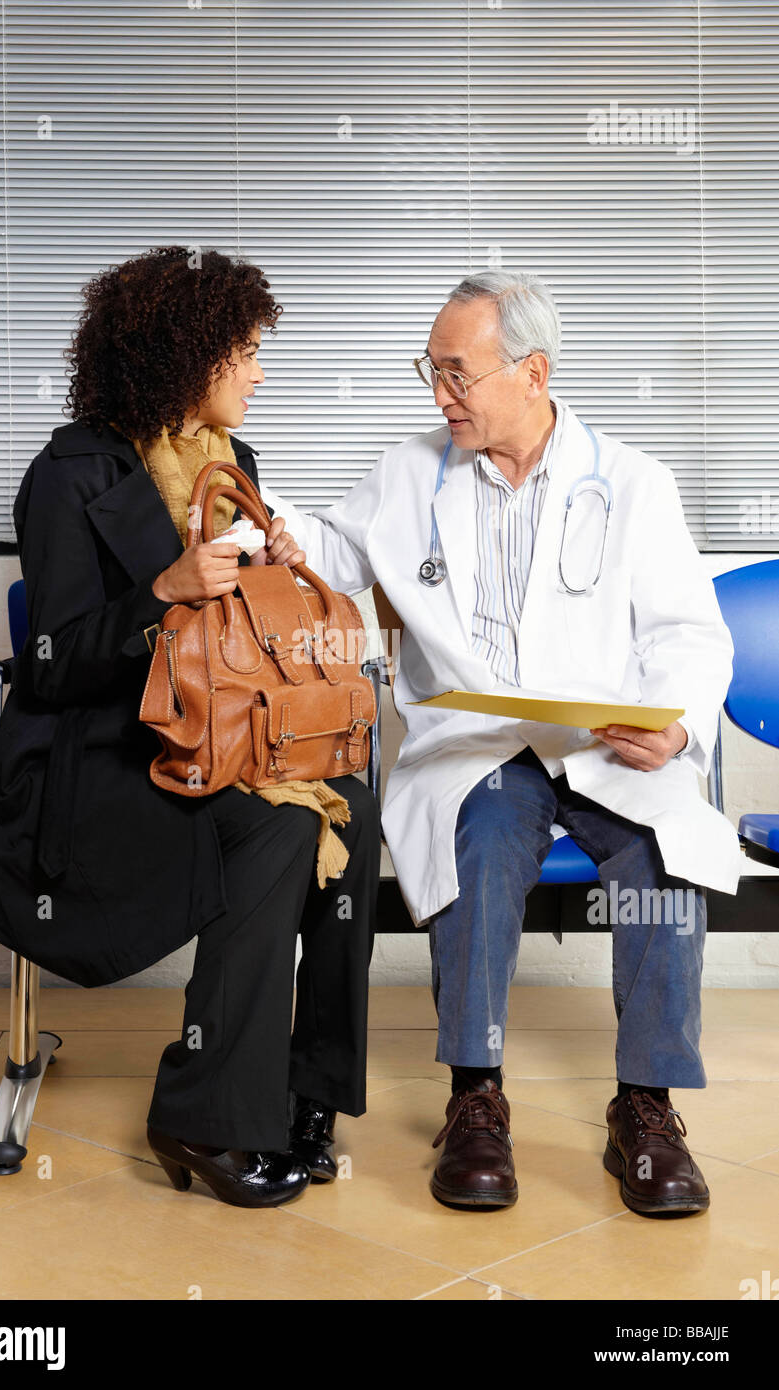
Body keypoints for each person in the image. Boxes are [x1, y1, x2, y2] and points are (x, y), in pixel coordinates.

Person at [258, 270, 740, 1216]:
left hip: (605, 745)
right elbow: (325, 544)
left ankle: (644, 1107)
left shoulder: (634, 483)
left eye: (455, 374)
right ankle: (473, 1097)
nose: (439, 396)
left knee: (659, 860)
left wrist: (674, 723)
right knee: (479, 845)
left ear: (533, 371)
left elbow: (688, 632)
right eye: (429, 373)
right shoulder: (409, 473)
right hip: (479, 746)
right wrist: (255, 525)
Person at [0, 245, 380, 1208]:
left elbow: (247, 643)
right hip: (95, 763)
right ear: (185, 357)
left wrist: (276, 558)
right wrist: (161, 590)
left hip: (210, 736)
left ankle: (305, 1095)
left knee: (347, 810)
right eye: (243, 352)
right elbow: (51, 665)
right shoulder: (70, 474)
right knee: (280, 825)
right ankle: (202, 1116)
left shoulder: (233, 468)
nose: (258, 372)